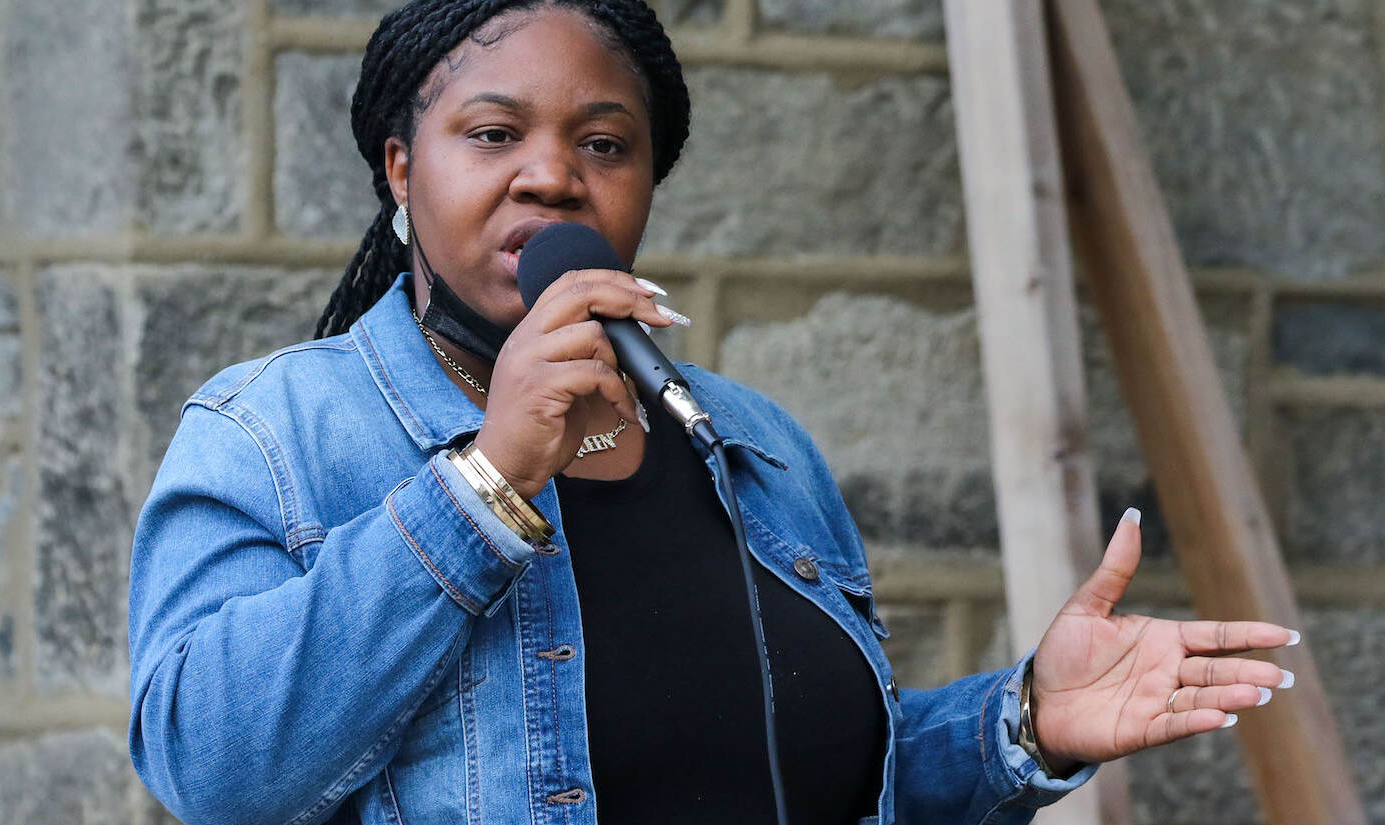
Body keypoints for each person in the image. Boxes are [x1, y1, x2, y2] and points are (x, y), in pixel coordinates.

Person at [127, 2, 1299, 823]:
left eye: (604, 144)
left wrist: (1026, 720)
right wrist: (484, 483)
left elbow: (828, 778)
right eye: (492, 134)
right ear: (397, 168)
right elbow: (207, 767)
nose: (551, 174)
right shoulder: (274, 433)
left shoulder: (750, 441)